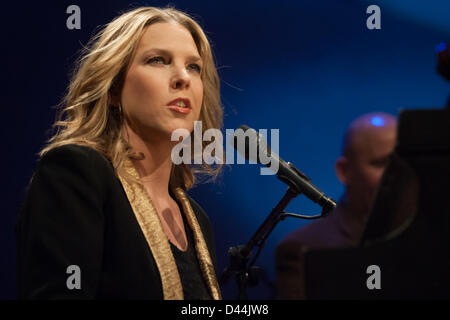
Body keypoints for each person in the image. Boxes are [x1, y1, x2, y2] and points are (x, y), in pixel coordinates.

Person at [16, 6, 224, 300]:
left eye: (194, 67)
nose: (182, 78)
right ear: (113, 89)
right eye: (158, 60)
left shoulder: (197, 219)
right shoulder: (75, 173)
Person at [275, 112, 397, 299]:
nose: (394, 175)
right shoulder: (303, 249)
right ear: (344, 171)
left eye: (399, 164)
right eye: (380, 164)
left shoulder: (431, 236)